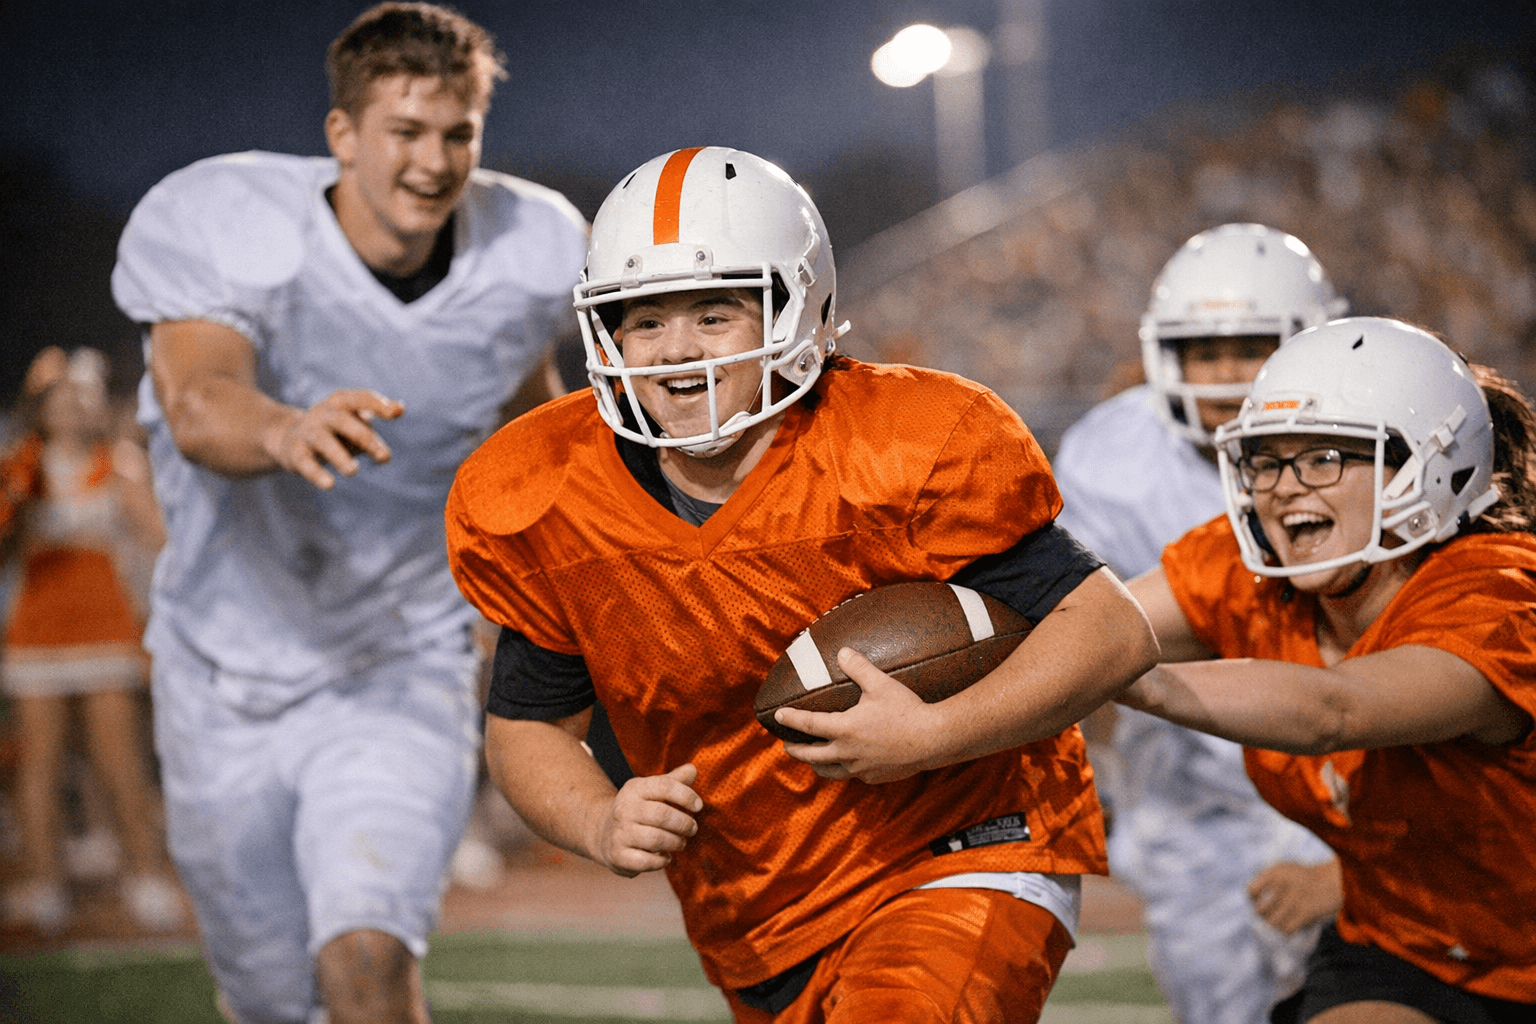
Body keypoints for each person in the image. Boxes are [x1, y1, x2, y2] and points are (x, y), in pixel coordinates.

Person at [446, 145, 1159, 1024]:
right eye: (644, 320)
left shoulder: (902, 443)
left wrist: (936, 733)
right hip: (755, 900)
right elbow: (529, 726)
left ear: (800, 310)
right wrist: (597, 817)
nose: (677, 352)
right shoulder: (547, 489)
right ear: (603, 331)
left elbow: (1114, 631)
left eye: (714, 315)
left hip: (958, 841)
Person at [109, 4, 586, 1022]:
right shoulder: (226, 219)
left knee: (368, 961)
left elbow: (526, 422)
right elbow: (196, 401)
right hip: (223, 676)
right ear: (343, 135)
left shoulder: (531, 244)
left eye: (457, 132)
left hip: (399, 662)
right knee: (273, 996)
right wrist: (284, 428)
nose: (434, 160)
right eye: (404, 131)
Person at [1118, 316, 1536, 1023]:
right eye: (1268, 460)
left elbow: (1334, 710)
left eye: (1323, 457)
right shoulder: (1250, 569)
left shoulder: (1503, 592)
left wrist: (1127, 675)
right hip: (1406, 949)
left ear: (1428, 467)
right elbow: (1091, 625)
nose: (1283, 487)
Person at [1052, 223, 1345, 1024]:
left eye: (1249, 348)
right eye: (1202, 351)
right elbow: (1079, 632)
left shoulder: (1359, 443)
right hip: (1192, 796)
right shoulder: (1110, 452)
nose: (1223, 374)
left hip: (1348, 774)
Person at [0, 346, 180, 936]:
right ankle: (42, 881)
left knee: (119, 759)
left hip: (105, 630)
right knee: (40, 765)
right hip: (36, 633)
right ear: (40, 409)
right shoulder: (20, 466)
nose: (72, 410)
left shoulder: (117, 464)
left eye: (80, 399)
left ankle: (145, 874)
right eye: (58, 400)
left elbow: (157, 538)